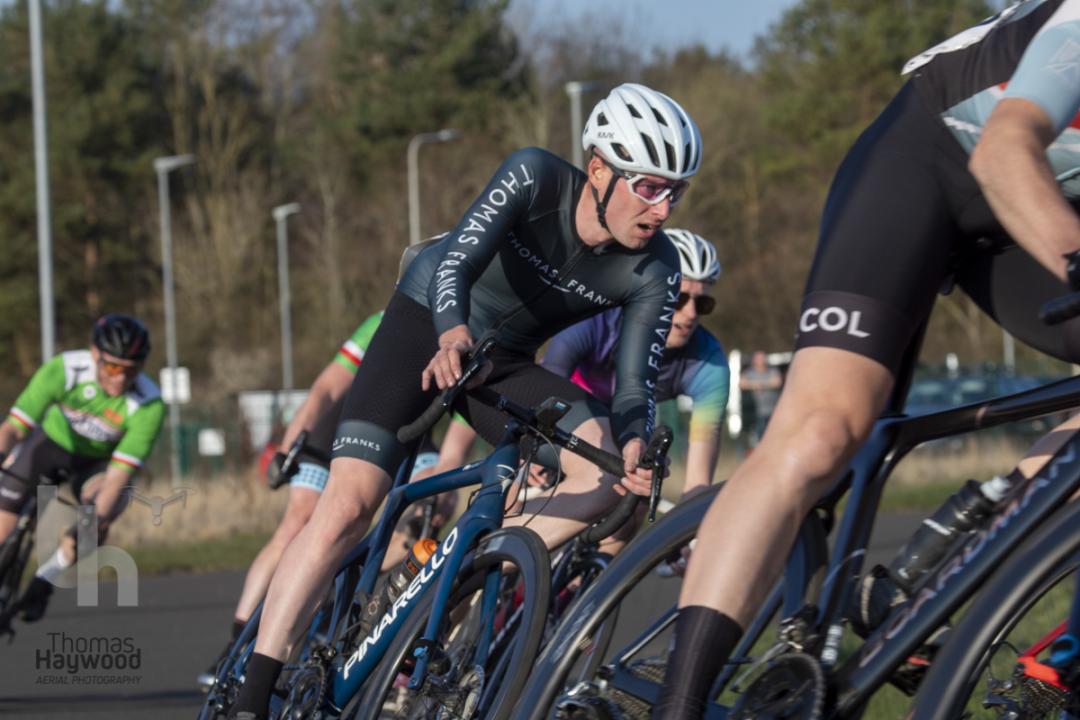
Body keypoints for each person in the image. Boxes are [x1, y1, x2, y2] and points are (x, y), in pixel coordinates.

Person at [655, 3, 1080, 717]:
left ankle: (932, 565)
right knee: (823, 431)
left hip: (1018, 223)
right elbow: (1004, 152)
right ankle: (679, 704)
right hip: (930, 160)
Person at [228, 82, 702, 719]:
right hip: (425, 321)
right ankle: (252, 697)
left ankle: (457, 569)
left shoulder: (658, 268)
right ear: (598, 170)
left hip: (502, 363)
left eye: (676, 192)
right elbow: (453, 263)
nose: (663, 208)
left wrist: (638, 442)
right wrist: (452, 332)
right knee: (347, 507)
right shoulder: (534, 177)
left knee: (610, 475)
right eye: (649, 187)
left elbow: (636, 383)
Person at [196, 311, 443, 689]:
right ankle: (237, 642)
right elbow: (326, 388)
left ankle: (335, 593)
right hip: (340, 427)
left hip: (409, 435)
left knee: (423, 520)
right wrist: (288, 446)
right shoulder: (389, 316)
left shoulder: (479, 320)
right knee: (297, 521)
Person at [437, 228, 729, 508]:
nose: (690, 314)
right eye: (679, 299)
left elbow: (697, 483)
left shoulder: (709, 362)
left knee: (633, 502)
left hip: (616, 429)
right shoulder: (600, 320)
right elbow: (543, 383)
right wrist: (530, 453)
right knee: (502, 487)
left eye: (702, 303)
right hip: (555, 407)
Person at [0, 315, 164, 629]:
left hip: (96, 465)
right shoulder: (64, 370)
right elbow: (14, 428)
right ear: (95, 354)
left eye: (131, 370)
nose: (121, 379)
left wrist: (92, 521)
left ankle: (45, 579)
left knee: (102, 515)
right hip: (48, 445)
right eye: (113, 368)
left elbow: (117, 476)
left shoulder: (149, 405)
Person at [739, 350, 781, 447]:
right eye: (759, 358)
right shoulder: (748, 373)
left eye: (763, 358)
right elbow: (742, 384)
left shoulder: (773, 370)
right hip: (756, 411)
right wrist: (765, 384)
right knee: (758, 437)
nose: (761, 360)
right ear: (754, 360)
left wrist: (758, 384)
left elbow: (777, 382)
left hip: (773, 410)